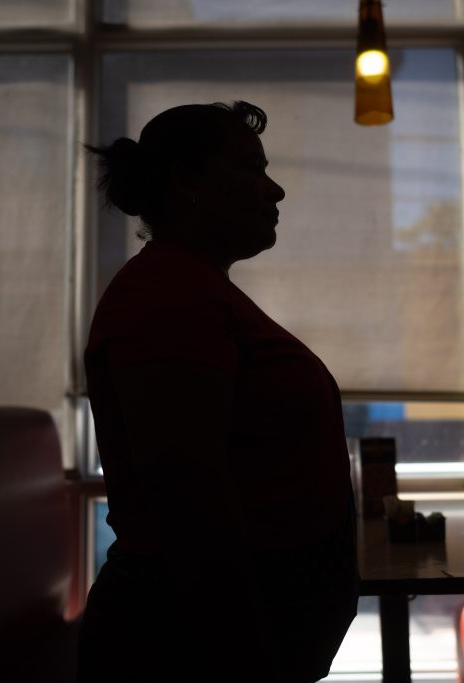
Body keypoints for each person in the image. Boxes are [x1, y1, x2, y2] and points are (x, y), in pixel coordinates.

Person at [77, 101, 360, 682]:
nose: (275, 189)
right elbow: (188, 501)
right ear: (186, 183)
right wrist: (250, 655)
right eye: (252, 168)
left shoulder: (195, 290)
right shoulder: (167, 297)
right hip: (192, 647)